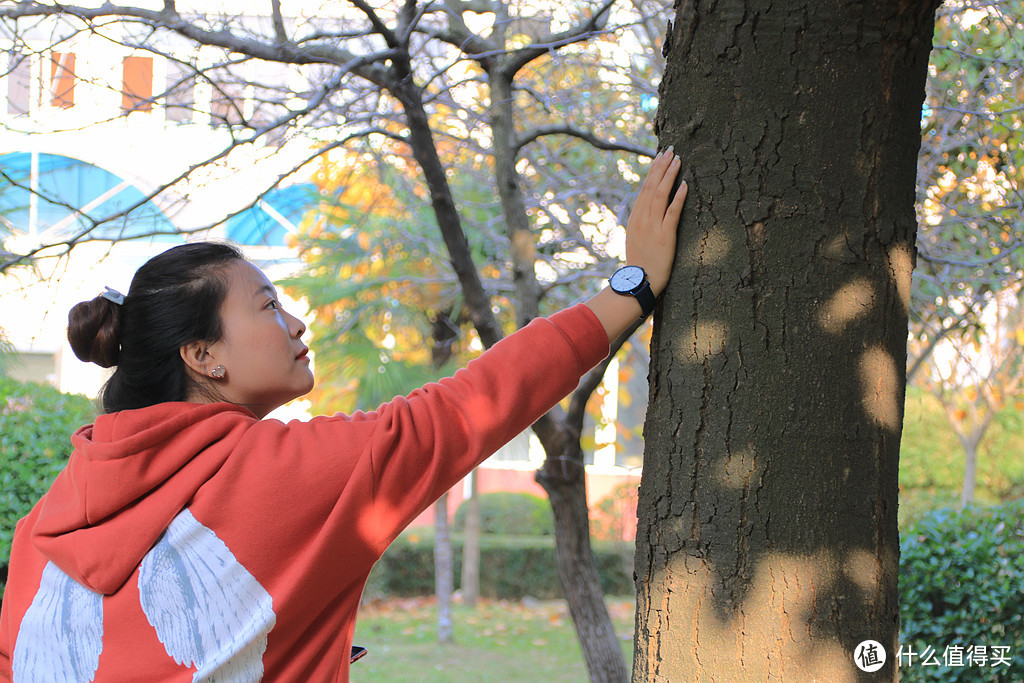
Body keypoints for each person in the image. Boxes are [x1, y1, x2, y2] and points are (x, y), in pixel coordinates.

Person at [0, 150, 686, 682]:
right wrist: (634, 285)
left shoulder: (42, 527)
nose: (297, 323)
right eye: (268, 305)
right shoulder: (278, 475)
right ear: (203, 354)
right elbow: (464, 408)